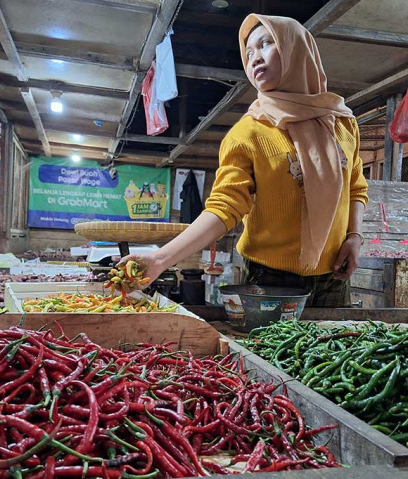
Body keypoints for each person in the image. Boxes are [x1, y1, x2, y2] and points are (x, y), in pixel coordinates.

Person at [119, 14, 369, 307]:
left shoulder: (342, 124)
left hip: (335, 275)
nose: (255, 58)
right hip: (270, 279)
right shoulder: (248, 133)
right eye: (248, 53)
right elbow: (225, 207)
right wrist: (161, 259)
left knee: (335, 339)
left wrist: (354, 237)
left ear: (297, 50)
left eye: (266, 44)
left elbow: (355, 187)